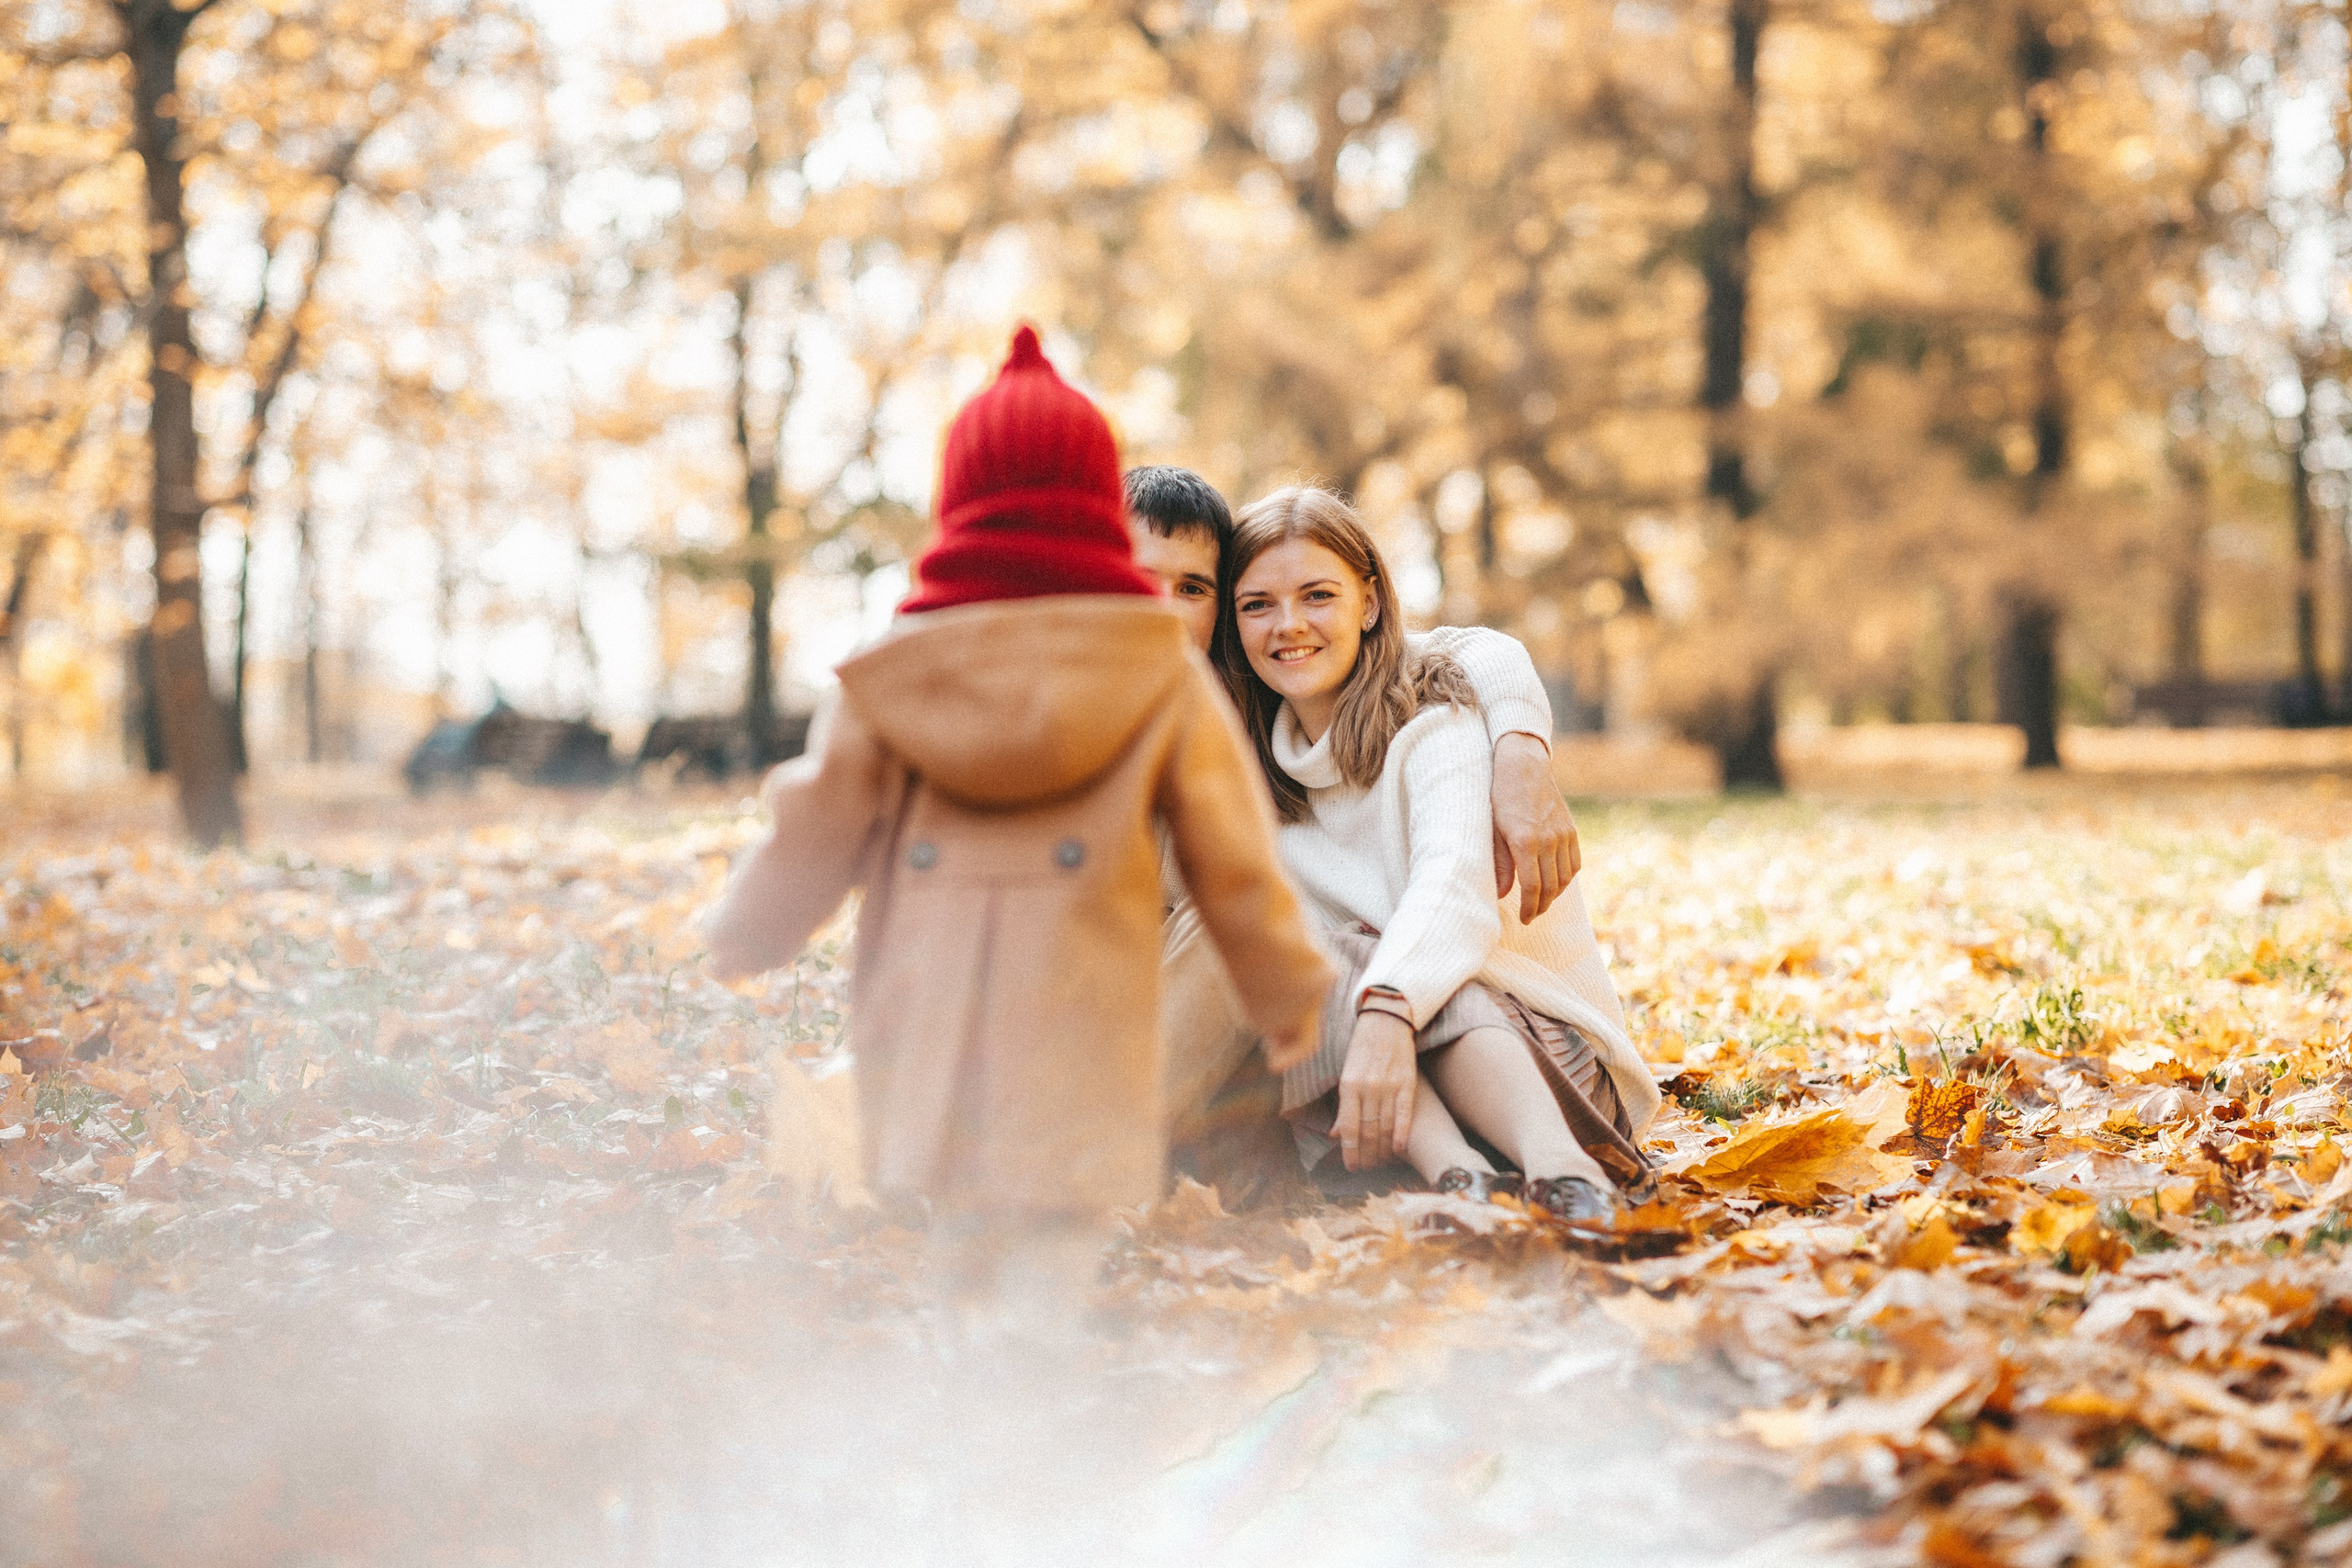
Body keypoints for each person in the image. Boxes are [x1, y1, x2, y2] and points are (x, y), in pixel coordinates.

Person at [703, 328, 1331, 1234]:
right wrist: (1284, 989)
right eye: (1146, 578)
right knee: (1044, 1259)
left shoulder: (888, 673)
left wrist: (748, 929)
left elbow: (813, 827)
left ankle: (968, 1320)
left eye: (1192, 588)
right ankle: (1030, 1329)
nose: (1162, 606)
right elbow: (1239, 862)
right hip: (1081, 1049)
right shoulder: (1169, 687)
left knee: (966, 1237)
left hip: (957, 1027)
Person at [1214, 485, 1660, 1220]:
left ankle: (1566, 1170)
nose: (1288, 625)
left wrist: (1388, 1010)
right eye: (1257, 604)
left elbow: (1452, 891)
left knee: (1372, 956)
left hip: (1547, 1071)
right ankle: (1460, 1182)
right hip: (1395, 1098)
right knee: (1303, 953)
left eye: (1316, 595)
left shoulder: (1436, 718)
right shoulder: (1250, 771)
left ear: (1370, 603)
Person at [1123, 465, 1587, 1146]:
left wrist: (1520, 744)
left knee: (1292, 948)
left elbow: (1456, 652)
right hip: (1305, 1046)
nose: (1163, 609)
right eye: (1258, 604)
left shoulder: (1402, 717)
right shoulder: (1099, 717)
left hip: (1480, 1023)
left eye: (1190, 588)